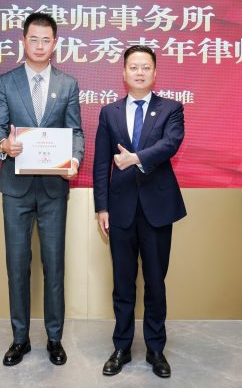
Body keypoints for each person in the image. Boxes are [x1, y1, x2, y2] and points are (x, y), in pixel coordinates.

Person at [0, 12, 84, 367]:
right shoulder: (6, 81)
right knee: (17, 265)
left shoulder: (68, 84)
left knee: (53, 265)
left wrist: (75, 160)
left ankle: (54, 339)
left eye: (46, 40)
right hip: (16, 188)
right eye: (34, 39)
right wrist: (4, 145)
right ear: (23, 41)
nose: (40, 45)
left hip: (54, 189)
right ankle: (20, 339)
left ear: (55, 44)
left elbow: (75, 132)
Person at [92, 45, 186, 378]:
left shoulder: (171, 108)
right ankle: (121, 347)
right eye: (134, 67)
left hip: (157, 208)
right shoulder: (109, 112)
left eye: (146, 67)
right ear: (124, 72)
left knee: (156, 283)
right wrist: (101, 207)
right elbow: (101, 163)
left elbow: (171, 144)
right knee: (123, 283)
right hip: (120, 209)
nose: (140, 72)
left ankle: (156, 350)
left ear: (155, 73)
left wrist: (136, 158)